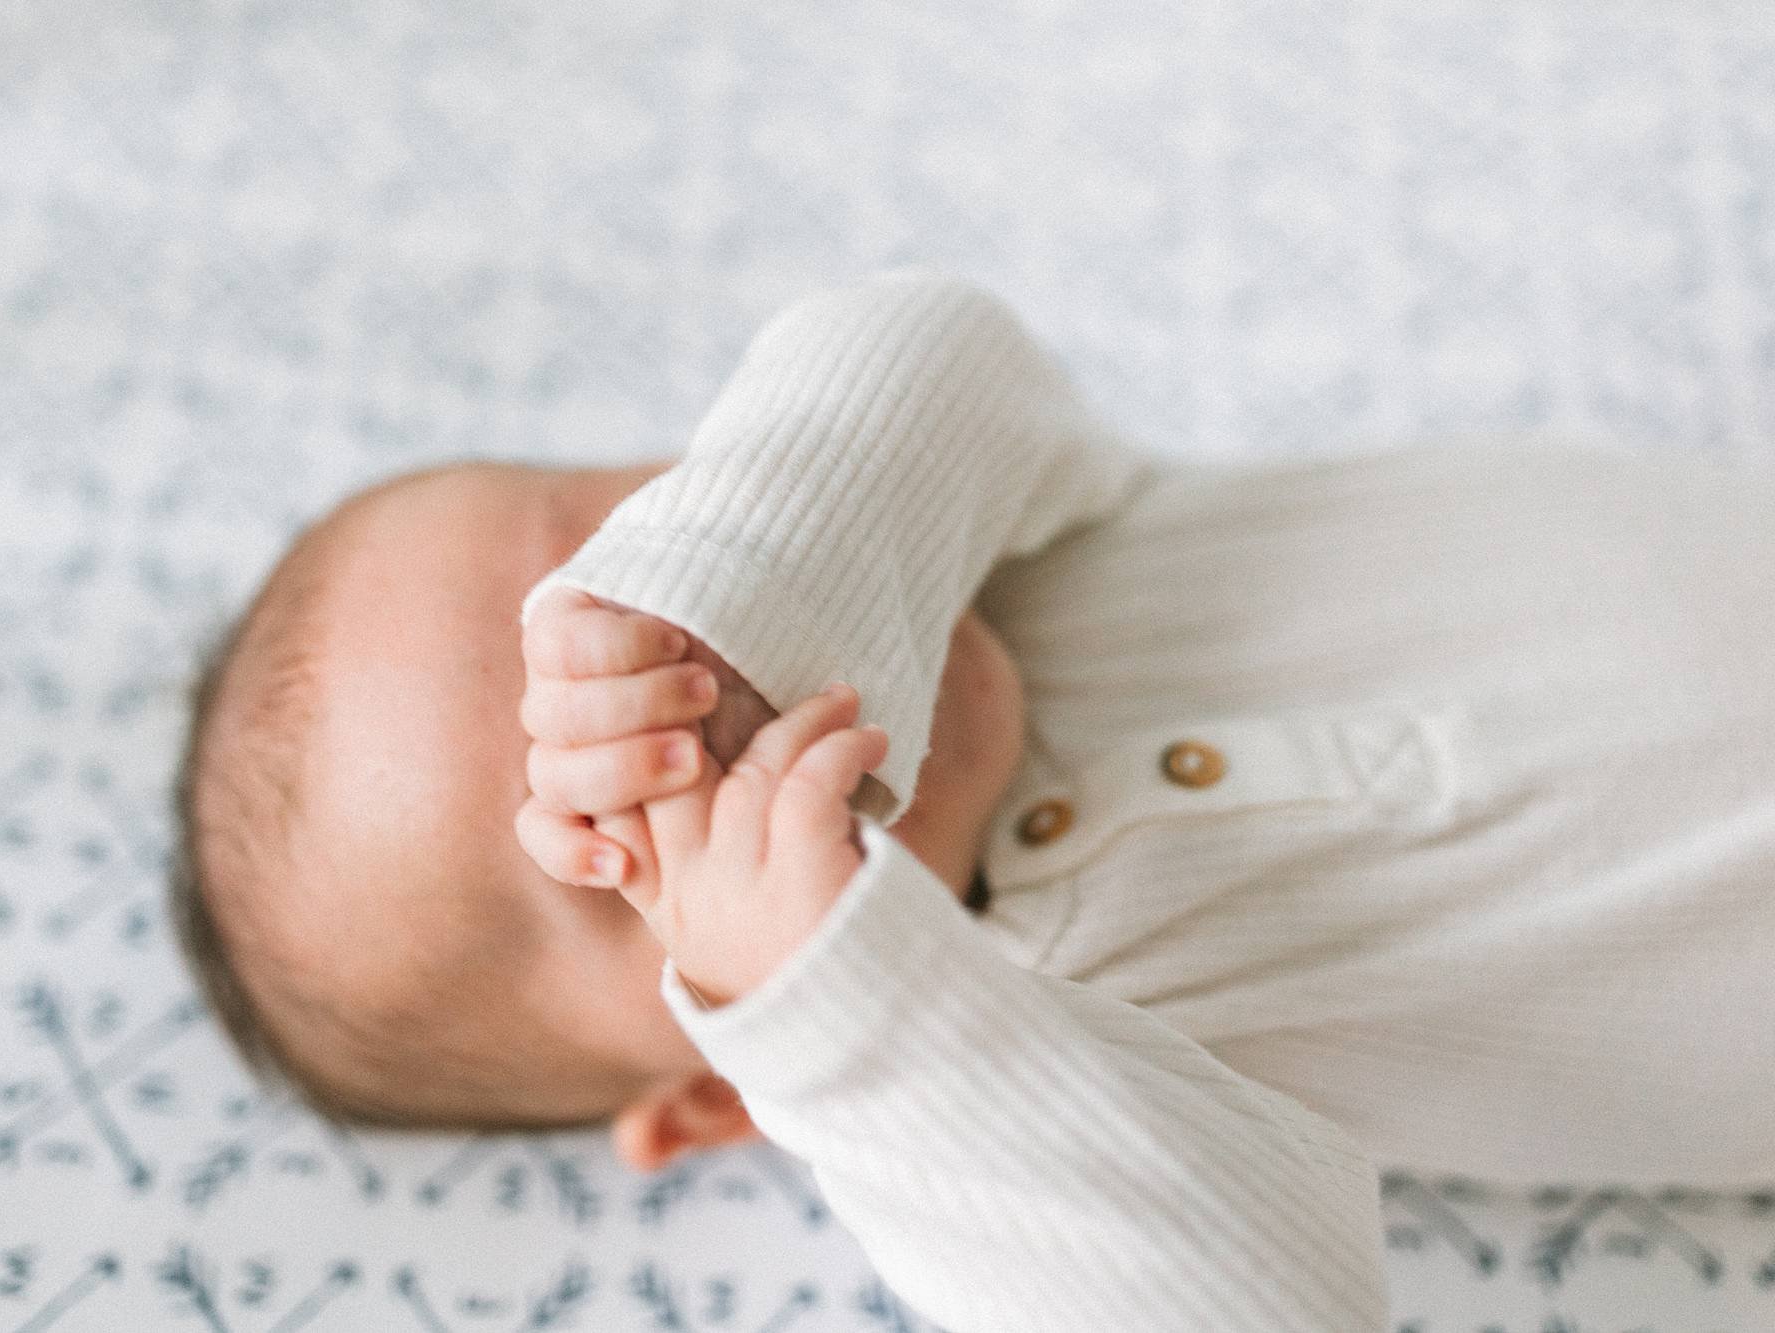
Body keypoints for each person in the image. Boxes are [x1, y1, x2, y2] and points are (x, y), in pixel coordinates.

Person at [174, 272, 1775, 1331]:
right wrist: (843, 1007)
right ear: (726, 1089)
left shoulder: (1009, 519)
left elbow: (924, 341)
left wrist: (746, 578)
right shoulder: (1012, 1093)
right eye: (618, 833)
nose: (683, 704)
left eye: (605, 572)